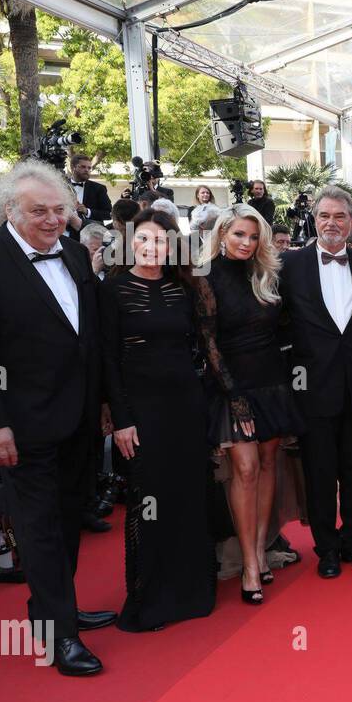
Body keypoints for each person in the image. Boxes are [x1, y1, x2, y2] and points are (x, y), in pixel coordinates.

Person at [0, 160, 117, 675]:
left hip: (78, 418)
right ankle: (57, 635)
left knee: (69, 522)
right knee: (40, 528)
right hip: (19, 426)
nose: (51, 219)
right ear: (8, 211)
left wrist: (105, 404)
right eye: (39, 211)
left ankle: (54, 611)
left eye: (59, 209)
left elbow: (88, 340)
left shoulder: (71, 252)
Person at [99, 208, 216, 629]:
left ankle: (190, 591)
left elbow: (199, 349)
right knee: (147, 501)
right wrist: (122, 419)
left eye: (161, 241)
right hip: (141, 412)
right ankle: (149, 594)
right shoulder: (112, 292)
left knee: (187, 495)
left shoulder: (181, 290)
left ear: (172, 247)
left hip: (186, 406)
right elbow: (108, 360)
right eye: (144, 240)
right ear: (131, 243)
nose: (152, 248)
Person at [197, 204, 305, 603]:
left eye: (253, 236)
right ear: (222, 234)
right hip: (231, 385)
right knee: (244, 469)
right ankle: (246, 564)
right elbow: (208, 343)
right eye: (239, 234)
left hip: (272, 380)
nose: (246, 242)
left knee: (267, 463)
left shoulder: (267, 273)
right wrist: (234, 396)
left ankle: (261, 550)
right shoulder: (205, 275)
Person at [278, 186, 352, 578]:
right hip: (311, 386)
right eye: (325, 216)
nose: (332, 223)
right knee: (319, 472)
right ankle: (327, 547)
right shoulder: (289, 265)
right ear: (313, 219)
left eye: (340, 217)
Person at [67, 155, 111, 226]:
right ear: (73, 167)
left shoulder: (99, 188)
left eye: (89, 168)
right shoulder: (60, 185)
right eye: (83, 167)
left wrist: (87, 211)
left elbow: (108, 214)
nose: (86, 170)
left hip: (87, 232)